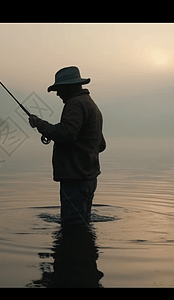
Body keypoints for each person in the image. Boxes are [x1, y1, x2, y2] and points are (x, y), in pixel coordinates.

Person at [29, 66, 106, 227]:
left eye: (59, 89)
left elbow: (66, 133)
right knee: (82, 224)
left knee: (72, 226)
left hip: (76, 178)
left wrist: (40, 124)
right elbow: (101, 144)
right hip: (88, 177)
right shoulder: (91, 105)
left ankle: (72, 251)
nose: (57, 94)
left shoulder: (75, 104)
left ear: (69, 87)